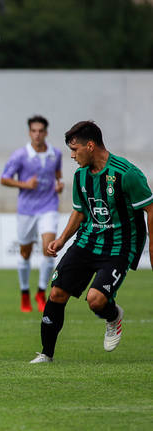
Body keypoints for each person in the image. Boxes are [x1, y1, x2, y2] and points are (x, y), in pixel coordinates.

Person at [30, 120, 153, 364]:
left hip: (120, 246)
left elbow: (150, 209)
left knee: (95, 300)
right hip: (87, 241)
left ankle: (112, 315)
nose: (73, 156)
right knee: (56, 293)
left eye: (75, 150)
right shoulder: (80, 176)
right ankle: (46, 354)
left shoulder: (126, 174)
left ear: (90, 145)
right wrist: (62, 239)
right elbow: (79, 211)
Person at [1, 115, 64, 312]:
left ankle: (41, 292)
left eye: (40, 131)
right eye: (33, 131)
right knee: (25, 253)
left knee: (49, 248)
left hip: (48, 207)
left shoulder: (56, 154)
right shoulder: (20, 155)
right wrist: (24, 184)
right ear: (30, 132)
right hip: (26, 210)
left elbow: (58, 176)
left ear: (46, 132)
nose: (37, 134)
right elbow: (4, 178)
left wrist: (60, 185)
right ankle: (25, 293)